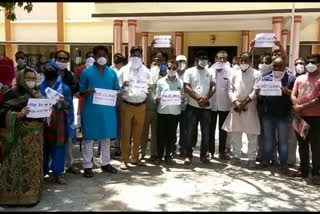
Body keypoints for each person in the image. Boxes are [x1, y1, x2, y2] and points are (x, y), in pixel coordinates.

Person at [0, 67, 44, 206]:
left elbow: (44, 112)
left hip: (34, 137)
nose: (30, 81)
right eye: (27, 78)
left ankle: (30, 197)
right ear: (20, 79)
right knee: (13, 165)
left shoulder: (37, 94)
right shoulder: (11, 94)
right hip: (17, 136)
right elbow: (2, 112)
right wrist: (17, 114)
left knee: (31, 166)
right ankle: (9, 197)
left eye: (33, 78)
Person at [79, 46, 120, 178]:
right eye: (99, 55)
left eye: (105, 55)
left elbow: (117, 89)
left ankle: (106, 163)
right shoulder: (87, 73)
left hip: (107, 111)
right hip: (91, 110)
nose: (102, 57)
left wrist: (120, 93)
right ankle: (87, 165)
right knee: (89, 138)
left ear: (108, 57)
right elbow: (81, 91)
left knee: (106, 137)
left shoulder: (112, 73)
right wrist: (88, 91)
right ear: (94, 56)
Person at [222, 52, 261, 169]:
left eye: (246, 60)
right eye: (241, 60)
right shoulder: (234, 73)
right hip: (236, 106)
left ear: (251, 61)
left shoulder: (257, 74)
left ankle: (252, 158)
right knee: (235, 133)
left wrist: (243, 103)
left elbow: (256, 90)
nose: (243, 63)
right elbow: (229, 90)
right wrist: (236, 102)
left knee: (252, 135)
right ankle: (236, 156)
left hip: (250, 106)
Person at [258, 57, 296, 174]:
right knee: (268, 140)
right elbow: (261, 99)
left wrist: (288, 92)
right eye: (275, 66)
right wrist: (259, 94)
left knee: (283, 142)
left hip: (284, 116)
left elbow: (296, 96)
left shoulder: (291, 78)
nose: (277, 68)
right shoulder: (266, 79)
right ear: (272, 66)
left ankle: (283, 164)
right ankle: (266, 161)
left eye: (280, 66)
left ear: (285, 66)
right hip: (268, 115)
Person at [41, 62, 76, 184]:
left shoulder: (65, 88)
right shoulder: (41, 87)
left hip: (59, 120)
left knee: (59, 146)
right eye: (47, 69)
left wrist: (64, 103)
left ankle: (58, 173)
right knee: (44, 146)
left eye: (51, 69)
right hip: (43, 120)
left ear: (57, 72)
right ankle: (42, 171)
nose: (48, 71)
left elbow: (69, 107)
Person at [118, 46, 151, 170]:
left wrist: (149, 88)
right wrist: (122, 85)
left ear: (142, 56)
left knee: (138, 134)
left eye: (138, 55)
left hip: (141, 106)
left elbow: (150, 86)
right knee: (126, 133)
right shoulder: (123, 70)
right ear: (130, 56)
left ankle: (135, 157)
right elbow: (116, 86)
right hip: (127, 105)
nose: (136, 57)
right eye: (134, 55)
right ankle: (124, 159)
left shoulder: (146, 71)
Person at [290, 54, 320, 185]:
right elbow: (293, 93)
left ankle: (316, 172)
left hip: (316, 118)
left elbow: (319, 100)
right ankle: (303, 170)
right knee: (302, 144)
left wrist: (301, 106)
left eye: (313, 62)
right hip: (300, 117)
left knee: (316, 146)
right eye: (308, 62)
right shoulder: (300, 78)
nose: (309, 65)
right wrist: (297, 108)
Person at [183, 50, 215, 165]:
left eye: (205, 58)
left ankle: (203, 155)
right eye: (201, 58)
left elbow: (213, 87)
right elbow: (187, 87)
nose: (204, 60)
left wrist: (206, 99)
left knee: (206, 133)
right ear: (196, 59)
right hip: (192, 107)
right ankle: (188, 155)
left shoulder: (210, 72)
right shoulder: (189, 71)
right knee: (190, 132)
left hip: (206, 108)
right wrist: (198, 98)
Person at [154, 59, 185, 165]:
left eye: (174, 68)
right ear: (166, 68)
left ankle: (168, 156)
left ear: (177, 69)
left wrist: (182, 99)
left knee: (171, 136)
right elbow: (156, 96)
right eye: (169, 68)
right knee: (160, 136)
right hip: (162, 112)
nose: (171, 70)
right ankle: (159, 156)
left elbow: (183, 96)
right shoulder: (160, 81)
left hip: (175, 113)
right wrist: (157, 99)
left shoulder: (180, 82)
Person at [55, 50, 80, 174]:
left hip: (67, 110)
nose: (62, 61)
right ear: (55, 59)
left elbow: (76, 88)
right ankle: (52, 165)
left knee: (68, 138)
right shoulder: (50, 73)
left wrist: (63, 90)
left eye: (65, 59)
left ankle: (70, 164)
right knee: (53, 138)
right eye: (60, 58)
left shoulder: (71, 75)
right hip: (52, 112)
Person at [209, 51, 234, 160]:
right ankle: (210, 151)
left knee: (223, 130)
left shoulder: (230, 72)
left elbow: (232, 89)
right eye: (220, 58)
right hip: (211, 105)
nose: (222, 60)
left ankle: (222, 152)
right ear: (215, 59)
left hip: (225, 105)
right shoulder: (209, 71)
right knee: (210, 130)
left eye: (224, 58)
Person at [141, 57, 161, 163]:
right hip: (146, 109)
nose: (156, 65)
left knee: (155, 134)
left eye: (159, 63)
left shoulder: (163, 78)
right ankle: (141, 153)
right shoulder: (145, 77)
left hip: (158, 111)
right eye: (154, 63)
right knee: (143, 133)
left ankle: (154, 155)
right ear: (150, 65)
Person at [109, 53, 126, 158]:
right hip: (110, 99)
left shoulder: (124, 70)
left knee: (120, 124)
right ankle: (102, 149)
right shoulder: (109, 71)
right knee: (108, 123)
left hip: (121, 99)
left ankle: (117, 147)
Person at [175, 55, 188, 157]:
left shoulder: (189, 74)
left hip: (186, 107)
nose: (181, 63)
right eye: (179, 61)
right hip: (173, 107)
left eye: (183, 61)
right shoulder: (172, 73)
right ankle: (172, 147)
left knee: (184, 129)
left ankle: (183, 148)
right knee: (172, 128)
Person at [76, 51, 95, 116]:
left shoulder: (99, 69)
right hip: (83, 95)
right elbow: (77, 81)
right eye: (89, 57)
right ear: (86, 58)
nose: (91, 58)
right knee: (83, 113)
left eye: (92, 57)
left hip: (95, 95)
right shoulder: (80, 69)